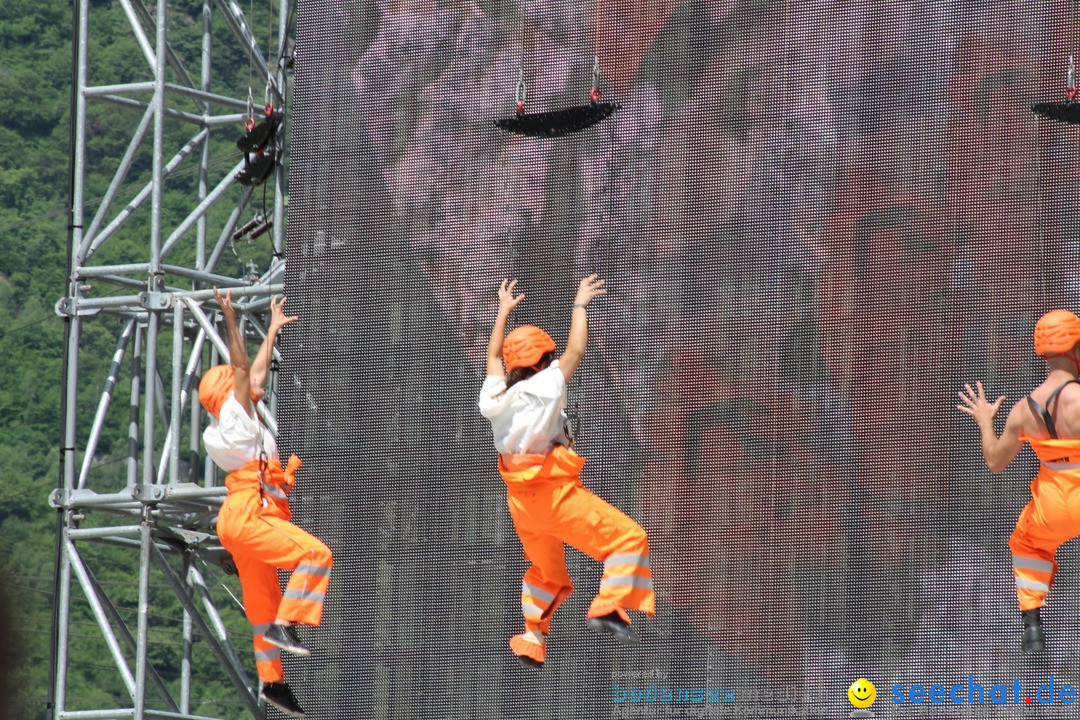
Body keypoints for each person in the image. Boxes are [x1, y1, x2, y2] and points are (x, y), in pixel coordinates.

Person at [477, 275, 656, 668]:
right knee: (629, 539)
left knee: (546, 571)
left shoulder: (495, 397)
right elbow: (577, 350)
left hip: (522, 508)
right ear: (541, 360)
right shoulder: (547, 387)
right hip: (555, 496)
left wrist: (502, 312)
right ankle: (608, 606)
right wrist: (579, 305)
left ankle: (532, 636)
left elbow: (492, 358)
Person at [199, 288, 334, 717]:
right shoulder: (237, 417)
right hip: (251, 514)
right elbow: (243, 370)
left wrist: (272, 331)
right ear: (228, 391)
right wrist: (230, 319)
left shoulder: (225, 424)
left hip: (238, 520)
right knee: (315, 554)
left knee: (260, 605)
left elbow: (252, 378)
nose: (248, 384)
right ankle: (289, 623)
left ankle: (273, 683)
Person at [957, 309, 1080, 653]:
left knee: (1027, 544)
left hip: (1052, 506)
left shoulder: (1023, 410)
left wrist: (985, 420)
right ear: (1076, 349)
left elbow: (995, 461)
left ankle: (1032, 624)